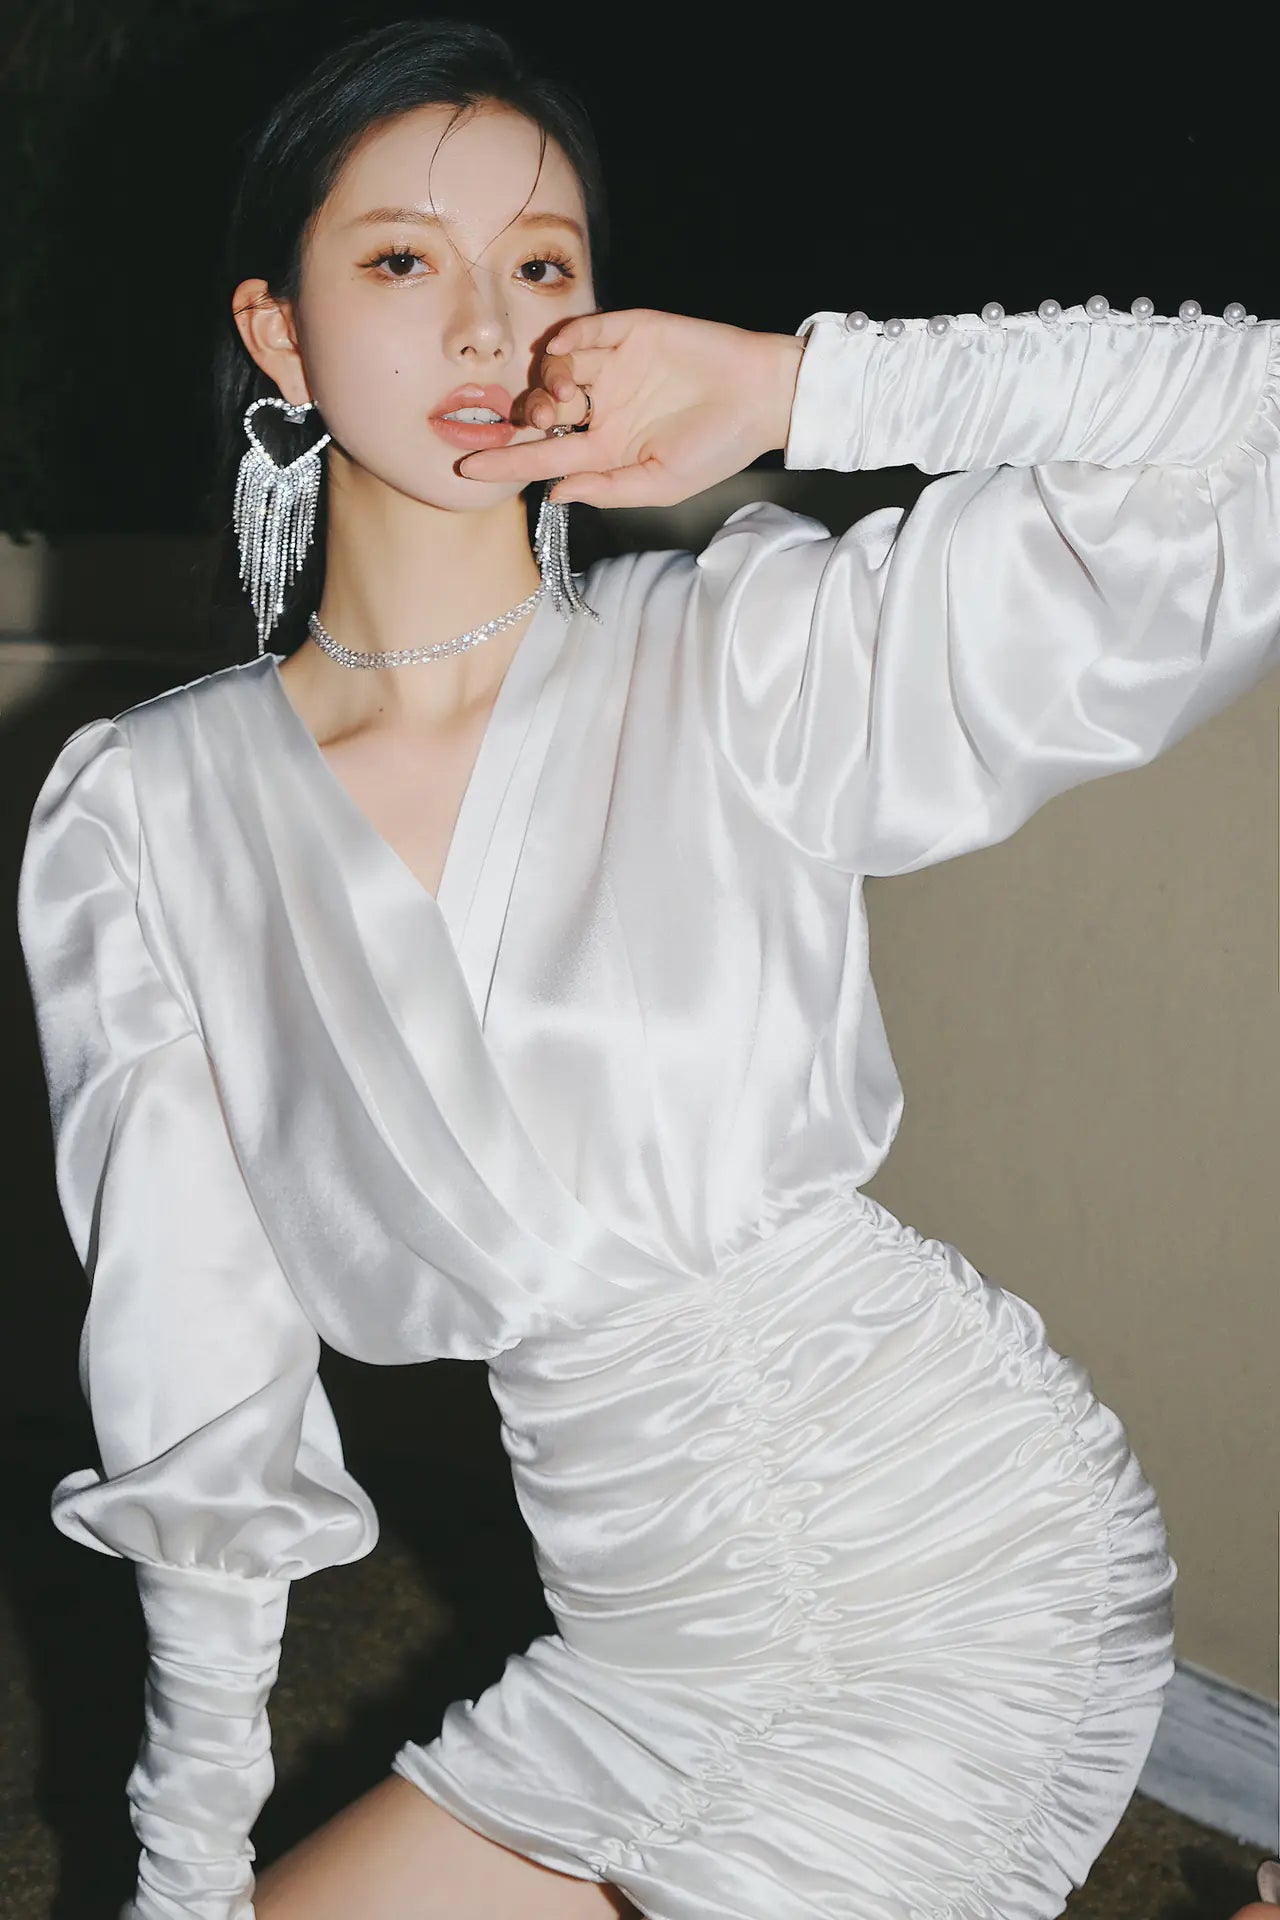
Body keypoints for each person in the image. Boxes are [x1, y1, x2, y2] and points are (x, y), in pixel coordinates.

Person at [15, 17, 1280, 1920]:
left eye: (542, 266)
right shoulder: (148, 811)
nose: (486, 327)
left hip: (941, 1565)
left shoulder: (742, 654)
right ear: (278, 334)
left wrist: (793, 382)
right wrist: (185, 1856)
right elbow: (195, 1380)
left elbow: (1254, 426)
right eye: (401, 261)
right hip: (635, 1641)